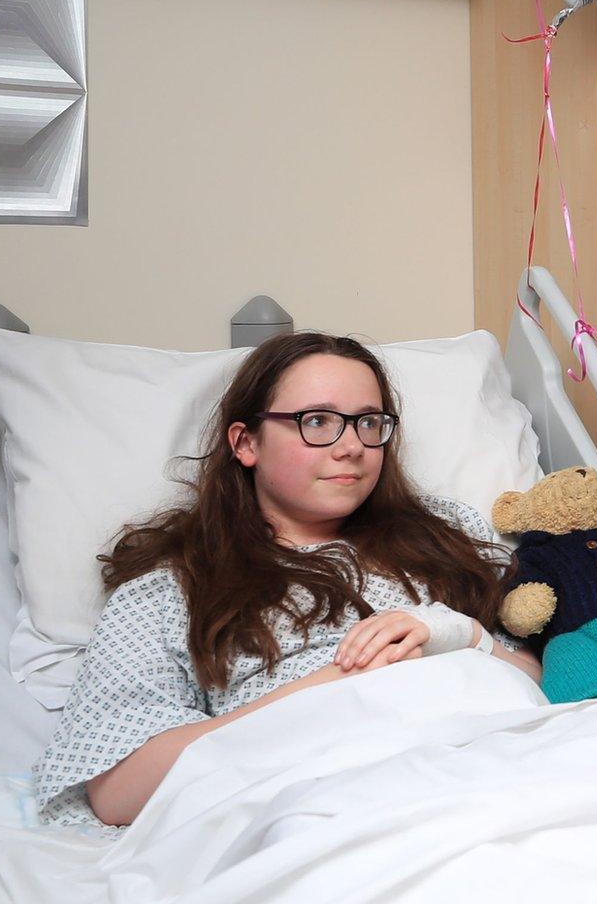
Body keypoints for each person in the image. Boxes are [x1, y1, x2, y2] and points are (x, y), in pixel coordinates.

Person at [33, 333, 540, 828]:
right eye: (316, 421)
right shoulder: (175, 587)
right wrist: (332, 688)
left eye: (368, 422)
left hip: (502, 764)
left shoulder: (445, 537)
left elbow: (546, 685)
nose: (351, 447)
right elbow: (118, 791)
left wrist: (461, 635)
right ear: (246, 442)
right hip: (331, 799)